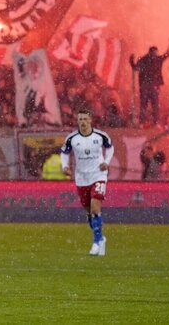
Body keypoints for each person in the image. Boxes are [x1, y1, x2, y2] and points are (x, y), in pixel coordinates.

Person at [60, 109, 114, 257]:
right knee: (89, 212)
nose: (82, 122)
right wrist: (65, 166)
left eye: (85, 119)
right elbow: (64, 153)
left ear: (90, 120)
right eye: (80, 119)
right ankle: (101, 237)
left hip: (98, 175)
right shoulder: (72, 138)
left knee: (95, 207)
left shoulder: (100, 136)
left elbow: (110, 147)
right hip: (81, 178)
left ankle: (96, 241)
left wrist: (107, 162)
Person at [129, 43, 169, 126]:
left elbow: (135, 68)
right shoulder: (156, 59)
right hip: (152, 86)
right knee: (152, 105)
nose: (155, 54)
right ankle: (152, 122)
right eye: (155, 52)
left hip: (146, 86)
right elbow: (166, 55)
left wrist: (131, 61)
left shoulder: (144, 59)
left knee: (146, 105)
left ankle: (144, 122)